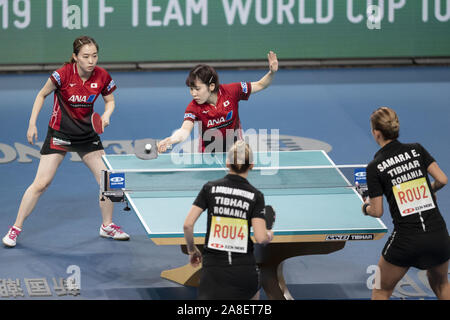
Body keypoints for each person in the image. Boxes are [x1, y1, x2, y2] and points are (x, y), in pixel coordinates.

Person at [2, 36, 129, 248]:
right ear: (75, 57)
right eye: (86, 56)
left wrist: (107, 114)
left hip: (87, 135)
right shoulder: (62, 75)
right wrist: (32, 124)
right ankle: (15, 228)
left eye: (94, 56)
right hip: (60, 133)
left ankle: (107, 225)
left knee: (109, 181)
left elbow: (110, 100)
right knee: (41, 183)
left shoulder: (102, 75)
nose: (91, 61)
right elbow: (42, 95)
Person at [362, 106, 449, 300]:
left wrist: (365, 207)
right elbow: (442, 179)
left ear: (376, 133)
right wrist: (430, 190)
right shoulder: (417, 149)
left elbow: (377, 211)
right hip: (439, 235)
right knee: (441, 283)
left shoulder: (375, 167)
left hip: (407, 240)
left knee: (381, 289)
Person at [183, 141, 274, 300]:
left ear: (227, 163)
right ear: (251, 165)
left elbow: (187, 225)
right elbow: (260, 238)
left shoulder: (209, 188)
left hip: (214, 272)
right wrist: (269, 235)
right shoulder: (256, 195)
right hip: (244, 271)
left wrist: (192, 250)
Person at [158, 51, 278, 153]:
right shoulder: (193, 107)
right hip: (209, 153)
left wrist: (271, 73)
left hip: (235, 150)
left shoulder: (232, 91)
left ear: (211, 86)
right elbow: (184, 130)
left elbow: (260, 85)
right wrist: (171, 140)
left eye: (197, 89)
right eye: (191, 89)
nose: (193, 93)